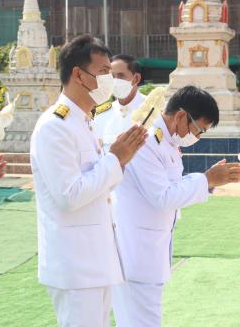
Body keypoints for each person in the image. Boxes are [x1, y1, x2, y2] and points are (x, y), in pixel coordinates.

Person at [30, 34, 148, 327]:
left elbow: (99, 187)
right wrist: (115, 159)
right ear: (78, 75)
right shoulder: (54, 127)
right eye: (103, 72)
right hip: (74, 264)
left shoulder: (85, 122)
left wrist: (118, 160)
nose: (109, 80)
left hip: (95, 260)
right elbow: (69, 196)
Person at [112, 86, 240, 327]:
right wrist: (207, 179)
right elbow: (162, 197)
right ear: (182, 116)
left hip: (153, 248)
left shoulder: (168, 143)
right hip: (137, 252)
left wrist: (209, 181)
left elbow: (171, 187)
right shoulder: (148, 142)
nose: (197, 136)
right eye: (199, 129)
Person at [95, 54, 145, 151]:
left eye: (121, 76)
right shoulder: (101, 115)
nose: (115, 81)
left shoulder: (154, 110)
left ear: (136, 79)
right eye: (112, 77)